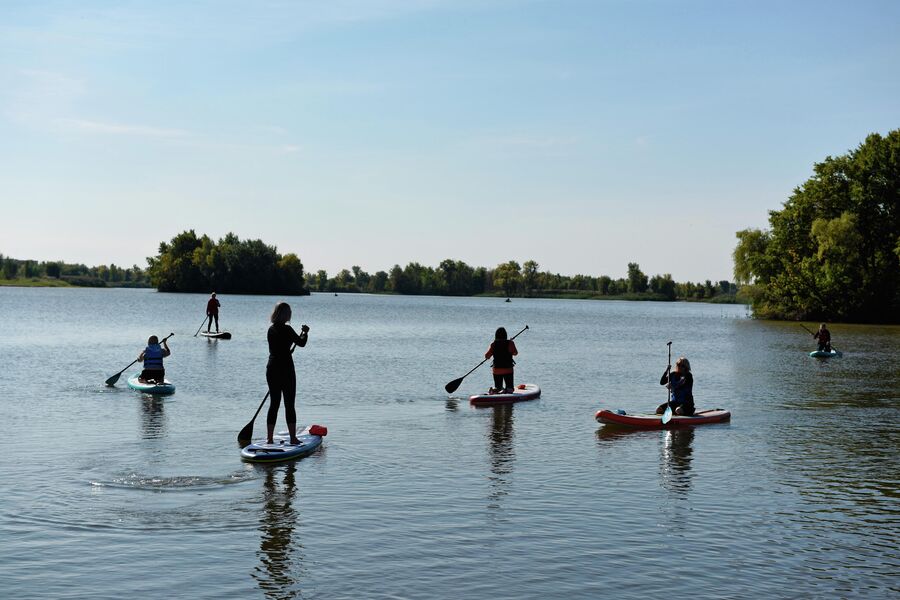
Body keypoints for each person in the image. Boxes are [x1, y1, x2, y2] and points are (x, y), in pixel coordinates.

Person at [266, 302, 309, 444]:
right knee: (289, 404)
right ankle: (293, 438)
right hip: (286, 369)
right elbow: (301, 343)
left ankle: (270, 439)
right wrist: (305, 333)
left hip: (272, 369)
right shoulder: (288, 329)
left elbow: (280, 345)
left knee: (274, 404)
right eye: (289, 312)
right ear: (285, 314)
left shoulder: (270, 330)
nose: (290, 314)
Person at [485, 327, 518, 394]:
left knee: (498, 387)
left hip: (497, 370)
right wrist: (511, 342)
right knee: (510, 388)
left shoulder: (493, 344)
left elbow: (487, 356)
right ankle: (507, 389)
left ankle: (495, 390)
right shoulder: (510, 343)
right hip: (508, 369)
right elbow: (515, 353)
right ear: (505, 335)